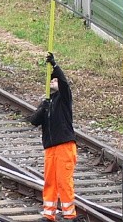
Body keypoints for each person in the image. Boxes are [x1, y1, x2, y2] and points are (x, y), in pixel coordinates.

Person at [27, 52, 79, 221]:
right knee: (50, 181)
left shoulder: (63, 99)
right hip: (50, 148)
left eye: (55, 79)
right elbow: (34, 120)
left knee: (64, 181)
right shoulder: (48, 102)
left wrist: (55, 67)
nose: (54, 81)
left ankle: (69, 215)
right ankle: (49, 214)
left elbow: (64, 83)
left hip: (64, 145)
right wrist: (43, 106)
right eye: (52, 80)